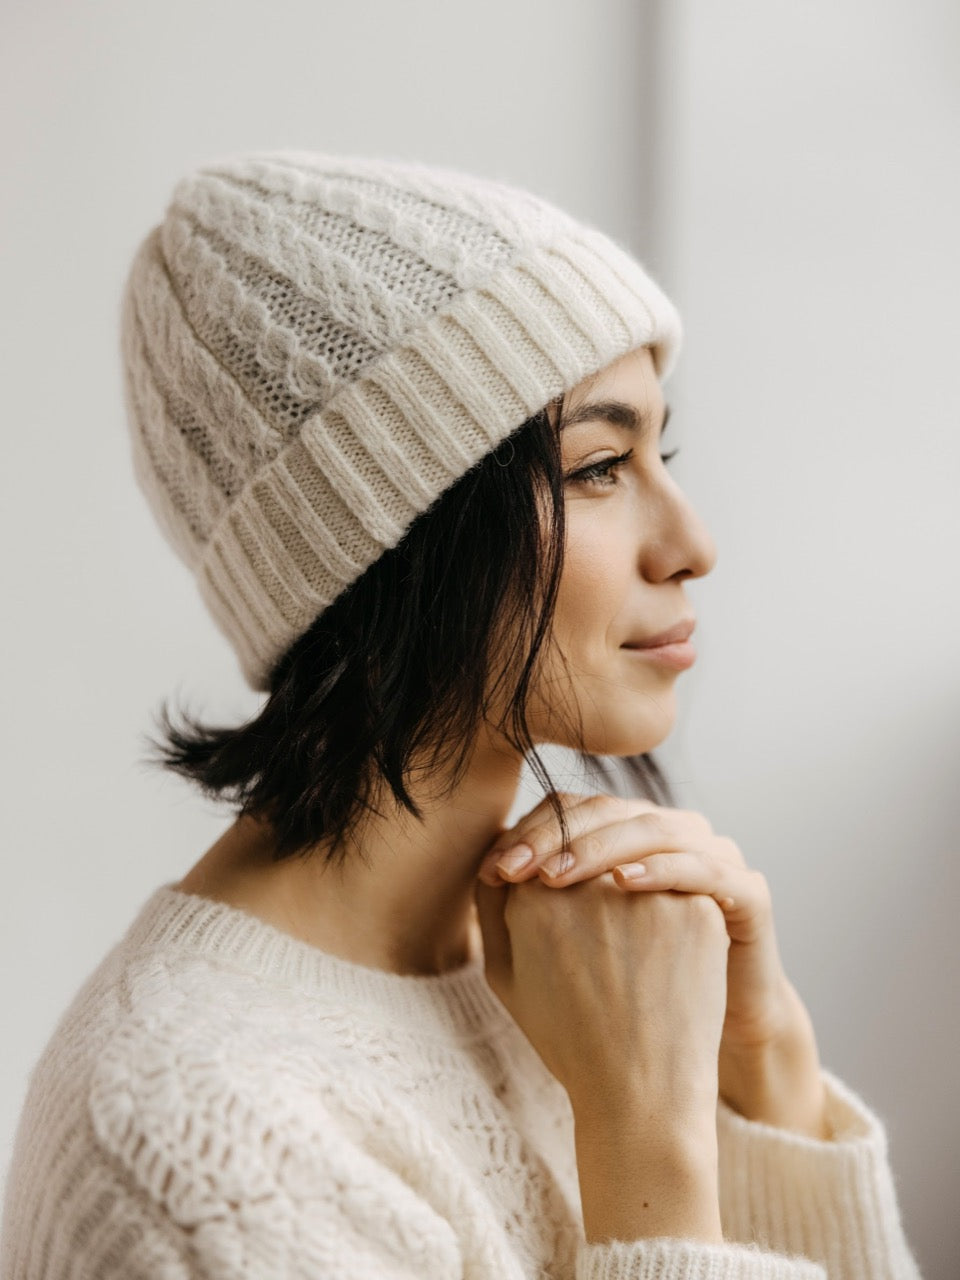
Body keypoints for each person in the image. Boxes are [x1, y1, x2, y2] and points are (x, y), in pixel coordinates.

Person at [0, 150, 923, 1279]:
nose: (692, 543)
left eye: (659, 449)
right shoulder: (212, 1162)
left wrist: (765, 1067)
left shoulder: (581, 959)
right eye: (596, 467)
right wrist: (652, 1155)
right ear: (391, 537)